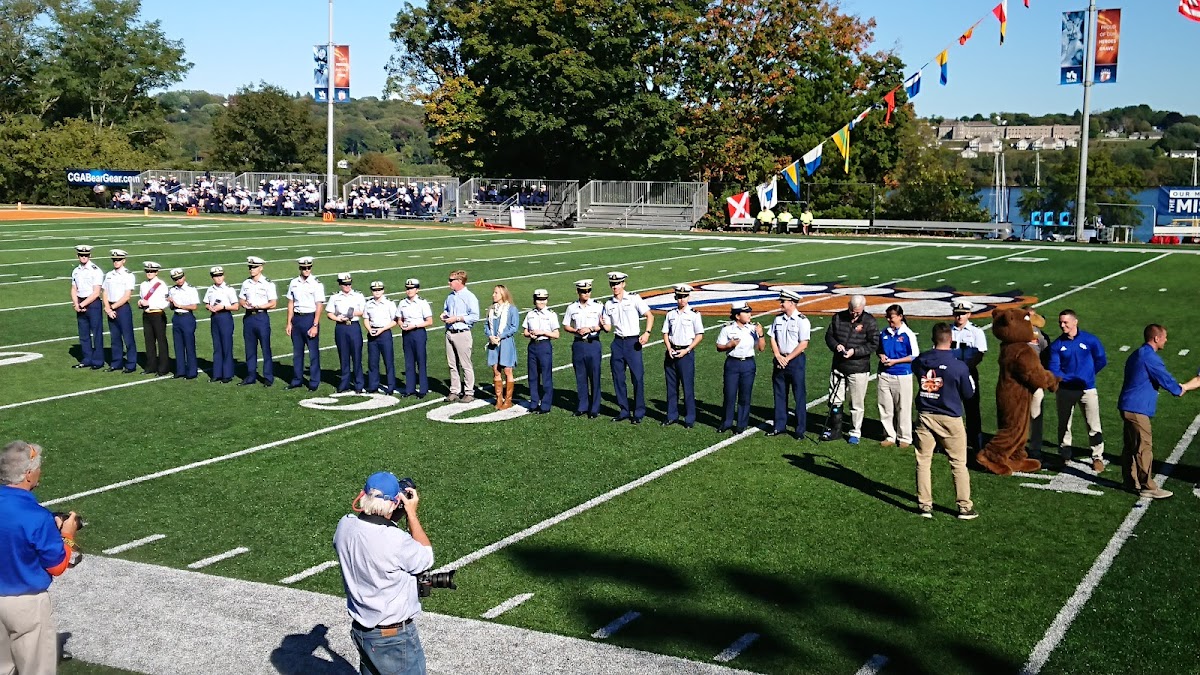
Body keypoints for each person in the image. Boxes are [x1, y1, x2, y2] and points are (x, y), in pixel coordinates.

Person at [333, 472, 433, 675]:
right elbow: (426, 557)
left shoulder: (344, 525)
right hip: (394, 637)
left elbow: (370, 529)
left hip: (363, 631)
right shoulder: (394, 539)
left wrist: (392, 515)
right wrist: (411, 514)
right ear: (396, 502)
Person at [0, 440, 82, 674]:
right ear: (27, 474)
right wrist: (67, 534)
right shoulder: (37, 517)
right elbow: (57, 566)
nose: (40, 472)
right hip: (26, 605)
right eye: (37, 467)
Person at [1116, 324, 1200, 499]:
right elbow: (1165, 378)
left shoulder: (1137, 354)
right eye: (1165, 337)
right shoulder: (1150, 357)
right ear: (1156, 338)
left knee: (1131, 446)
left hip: (1128, 405)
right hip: (1137, 409)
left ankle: (1130, 480)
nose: (1166, 340)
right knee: (1144, 447)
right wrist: (1178, 389)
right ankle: (1148, 486)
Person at [912, 323, 979, 520]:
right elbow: (969, 392)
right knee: (958, 462)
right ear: (951, 340)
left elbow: (917, 368)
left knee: (923, 461)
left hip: (925, 414)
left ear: (933, 339)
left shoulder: (921, 360)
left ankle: (924, 505)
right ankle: (964, 507)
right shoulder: (958, 365)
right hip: (949, 416)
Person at [1048, 309, 1108, 472]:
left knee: (1093, 424)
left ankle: (1097, 457)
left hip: (1087, 389)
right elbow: (1054, 368)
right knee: (1064, 424)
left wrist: (1088, 375)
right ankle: (1064, 454)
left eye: (1065, 322)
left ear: (1075, 322)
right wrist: (1068, 379)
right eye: (1060, 322)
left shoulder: (1090, 340)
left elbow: (1101, 359)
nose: (1062, 325)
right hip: (1066, 390)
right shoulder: (1057, 345)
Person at [821, 295, 879, 444]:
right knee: (835, 399)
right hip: (838, 366)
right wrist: (836, 346)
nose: (854, 314)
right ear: (848, 306)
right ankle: (836, 429)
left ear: (863, 309)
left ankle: (855, 432)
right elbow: (829, 336)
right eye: (852, 311)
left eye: (858, 312)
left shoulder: (870, 321)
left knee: (856, 403)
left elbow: (873, 344)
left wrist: (855, 351)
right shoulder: (838, 317)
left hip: (858, 368)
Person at [601, 271, 654, 424]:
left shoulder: (634, 298)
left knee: (637, 378)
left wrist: (647, 333)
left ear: (623, 284)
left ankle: (638, 412)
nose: (615, 286)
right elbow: (608, 328)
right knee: (618, 378)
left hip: (633, 342)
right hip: (618, 342)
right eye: (612, 284)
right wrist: (603, 325)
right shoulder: (609, 304)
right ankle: (624, 410)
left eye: (617, 283)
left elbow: (649, 316)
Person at [767, 289, 811, 439]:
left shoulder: (802, 320)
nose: (781, 304)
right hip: (780, 359)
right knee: (779, 393)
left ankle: (800, 429)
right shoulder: (778, 319)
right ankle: (779, 426)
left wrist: (788, 358)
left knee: (798, 395)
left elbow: (803, 344)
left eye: (783, 301)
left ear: (791, 303)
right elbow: (772, 337)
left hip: (795, 361)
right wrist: (778, 355)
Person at [717, 302, 764, 433]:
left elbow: (761, 348)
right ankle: (726, 422)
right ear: (737, 316)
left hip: (748, 363)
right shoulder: (727, 329)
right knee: (729, 394)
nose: (750, 315)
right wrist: (729, 345)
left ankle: (741, 424)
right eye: (746, 312)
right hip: (732, 363)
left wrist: (760, 334)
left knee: (745, 395)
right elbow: (719, 346)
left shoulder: (752, 329)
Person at [661, 284, 704, 428]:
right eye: (679, 297)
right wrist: (669, 348)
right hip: (672, 353)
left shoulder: (694, 314)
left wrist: (687, 350)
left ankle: (689, 418)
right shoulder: (670, 314)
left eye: (684, 296)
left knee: (687, 387)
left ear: (688, 297)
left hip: (686, 354)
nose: (682, 300)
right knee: (671, 387)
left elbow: (699, 335)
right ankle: (671, 415)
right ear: (675, 297)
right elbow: (665, 333)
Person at [877, 304, 920, 448]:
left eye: (892, 317)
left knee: (903, 407)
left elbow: (914, 355)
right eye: (887, 317)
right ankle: (889, 435)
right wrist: (882, 356)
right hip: (885, 373)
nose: (889, 320)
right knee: (885, 407)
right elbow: (879, 349)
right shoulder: (885, 333)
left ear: (900, 317)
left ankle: (905, 438)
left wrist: (895, 361)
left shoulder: (908, 334)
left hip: (902, 375)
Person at [950, 299, 988, 451]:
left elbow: (979, 355)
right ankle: (950, 441)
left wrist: (963, 369)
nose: (960, 317)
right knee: (951, 408)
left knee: (972, 409)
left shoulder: (976, 332)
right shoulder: (948, 331)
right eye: (958, 314)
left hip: (968, 374)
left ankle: (976, 441)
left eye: (963, 314)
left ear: (969, 314)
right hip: (950, 374)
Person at [563, 279, 604, 418]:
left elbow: (604, 325)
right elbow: (566, 325)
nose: (586, 293)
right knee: (580, 376)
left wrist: (591, 328)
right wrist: (575, 331)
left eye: (588, 291)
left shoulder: (598, 306)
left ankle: (595, 408)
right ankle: (582, 406)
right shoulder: (572, 307)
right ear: (578, 292)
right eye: (583, 291)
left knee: (595, 376)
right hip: (579, 343)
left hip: (593, 343)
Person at [285, 257, 326, 392]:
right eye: (304, 268)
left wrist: (315, 324)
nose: (306, 270)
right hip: (297, 319)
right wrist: (289, 322)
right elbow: (291, 303)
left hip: (310, 318)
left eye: (308, 268)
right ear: (300, 268)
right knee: (297, 352)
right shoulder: (293, 283)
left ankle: (314, 382)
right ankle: (297, 379)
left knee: (313, 352)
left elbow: (319, 304)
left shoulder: (316, 284)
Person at [441, 270, 479, 402]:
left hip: (462, 333)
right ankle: (455, 390)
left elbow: (475, 316)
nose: (449, 283)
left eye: (451, 280)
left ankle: (469, 391)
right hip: (450, 332)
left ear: (460, 281)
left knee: (465, 364)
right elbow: (446, 310)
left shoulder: (469, 296)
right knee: (452, 364)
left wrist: (457, 318)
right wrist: (444, 315)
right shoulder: (450, 297)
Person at [238, 256, 277, 387]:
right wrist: (244, 304)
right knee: (249, 348)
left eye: (254, 267)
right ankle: (251, 375)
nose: (251, 269)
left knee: (265, 348)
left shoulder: (268, 283)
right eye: (250, 267)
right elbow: (241, 299)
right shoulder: (246, 283)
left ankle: (268, 377)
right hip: (249, 317)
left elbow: (273, 303)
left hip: (261, 317)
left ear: (261, 268)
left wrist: (259, 306)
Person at [326, 273, 366, 394]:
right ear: (340, 284)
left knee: (356, 356)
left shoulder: (358, 296)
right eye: (345, 284)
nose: (347, 286)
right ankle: (344, 383)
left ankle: (359, 384)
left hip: (353, 326)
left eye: (349, 284)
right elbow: (329, 313)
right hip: (341, 327)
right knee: (343, 356)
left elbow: (364, 311)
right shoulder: (335, 297)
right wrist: (338, 319)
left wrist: (353, 314)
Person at [522, 288, 559, 414]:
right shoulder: (530, 314)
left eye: (543, 299)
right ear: (534, 300)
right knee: (533, 376)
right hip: (533, 346)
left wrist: (543, 332)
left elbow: (556, 334)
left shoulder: (551, 314)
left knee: (546, 376)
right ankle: (534, 402)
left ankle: (545, 405)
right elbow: (525, 331)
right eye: (539, 299)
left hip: (544, 345)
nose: (541, 302)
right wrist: (529, 334)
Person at [483, 285, 520, 410]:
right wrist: (490, 336)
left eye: (496, 293)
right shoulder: (491, 309)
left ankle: (508, 400)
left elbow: (514, 327)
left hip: (506, 343)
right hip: (494, 344)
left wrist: (501, 336)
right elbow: (486, 326)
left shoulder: (511, 309)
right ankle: (499, 399)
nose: (493, 295)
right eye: (493, 292)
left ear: (503, 294)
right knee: (496, 370)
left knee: (507, 371)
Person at [102, 249, 138, 373]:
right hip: (110, 307)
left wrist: (112, 308)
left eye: (118, 260)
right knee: (115, 338)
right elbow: (105, 292)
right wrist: (107, 307)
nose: (116, 262)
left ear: (124, 261)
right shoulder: (109, 274)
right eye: (114, 260)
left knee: (128, 338)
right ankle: (116, 363)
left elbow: (127, 295)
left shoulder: (128, 275)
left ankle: (131, 364)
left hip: (122, 308)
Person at [70, 245, 105, 370]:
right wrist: (76, 303)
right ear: (78, 256)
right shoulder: (76, 271)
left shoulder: (95, 270)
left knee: (96, 334)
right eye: (81, 255)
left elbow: (96, 292)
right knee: (83, 334)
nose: (83, 257)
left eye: (86, 255)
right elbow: (74, 289)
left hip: (93, 304)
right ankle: (87, 359)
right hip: (80, 302)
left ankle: (98, 360)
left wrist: (82, 304)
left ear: (90, 256)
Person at [396, 279, 433, 399]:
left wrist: (415, 325)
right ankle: (409, 389)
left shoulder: (422, 303)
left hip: (418, 332)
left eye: (412, 288)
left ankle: (423, 389)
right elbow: (399, 318)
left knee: (421, 361)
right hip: (407, 333)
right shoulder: (402, 303)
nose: (409, 291)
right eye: (407, 288)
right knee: (409, 362)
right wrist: (401, 324)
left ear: (417, 289)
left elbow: (429, 321)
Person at [204, 266, 239, 384]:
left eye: (220, 275)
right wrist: (210, 307)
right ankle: (217, 373)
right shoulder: (210, 289)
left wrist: (223, 307)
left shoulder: (229, 289)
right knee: (217, 347)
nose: (218, 278)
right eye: (215, 276)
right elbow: (206, 303)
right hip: (215, 317)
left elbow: (236, 306)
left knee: (226, 346)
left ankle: (227, 374)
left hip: (225, 317)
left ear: (223, 276)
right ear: (212, 277)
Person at [137, 261, 171, 376]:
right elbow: (142, 298)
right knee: (149, 341)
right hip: (146, 315)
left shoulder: (161, 285)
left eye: (152, 271)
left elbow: (165, 302)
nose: (149, 273)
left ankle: (163, 368)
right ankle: (150, 366)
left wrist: (149, 303)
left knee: (161, 342)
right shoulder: (143, 285)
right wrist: (140, 303)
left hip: (157, 314)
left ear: (157, 272)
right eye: (147, 271)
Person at [364, 281, 398, 396]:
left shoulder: (389, 304)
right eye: (374, 290)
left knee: (388, 361)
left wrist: (382, 329)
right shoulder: (369, 304)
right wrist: (369, 329)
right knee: (373, 362)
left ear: (383, 290)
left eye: (379, 290)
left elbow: (395, 321)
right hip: (373, 333)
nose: (377, 292)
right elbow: (365, 318)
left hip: (384, 333)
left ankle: (391, 386)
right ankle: (373, 385)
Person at [166, 268, 199, 380]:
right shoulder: (172, 290)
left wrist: (179, 305)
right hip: (176, 317)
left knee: (189, 345)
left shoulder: (190, 289)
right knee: (178, 345)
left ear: (184, 277)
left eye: (180, 278)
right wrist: (170, 303)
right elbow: (171, 307)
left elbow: (194, 306)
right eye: (176, 279)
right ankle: (180, 370)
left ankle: (192, 371)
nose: (179, 280)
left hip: (187, 317)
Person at [1027, 319, 1051, 459]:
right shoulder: (1014, 334)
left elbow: (1047, 358)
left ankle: (1035, 448)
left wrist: (1042, 377)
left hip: (1036, 383)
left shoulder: (1041, 336)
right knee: (1017, 417)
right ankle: (1017, 446)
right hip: (1018, 384)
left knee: (1036, 416)